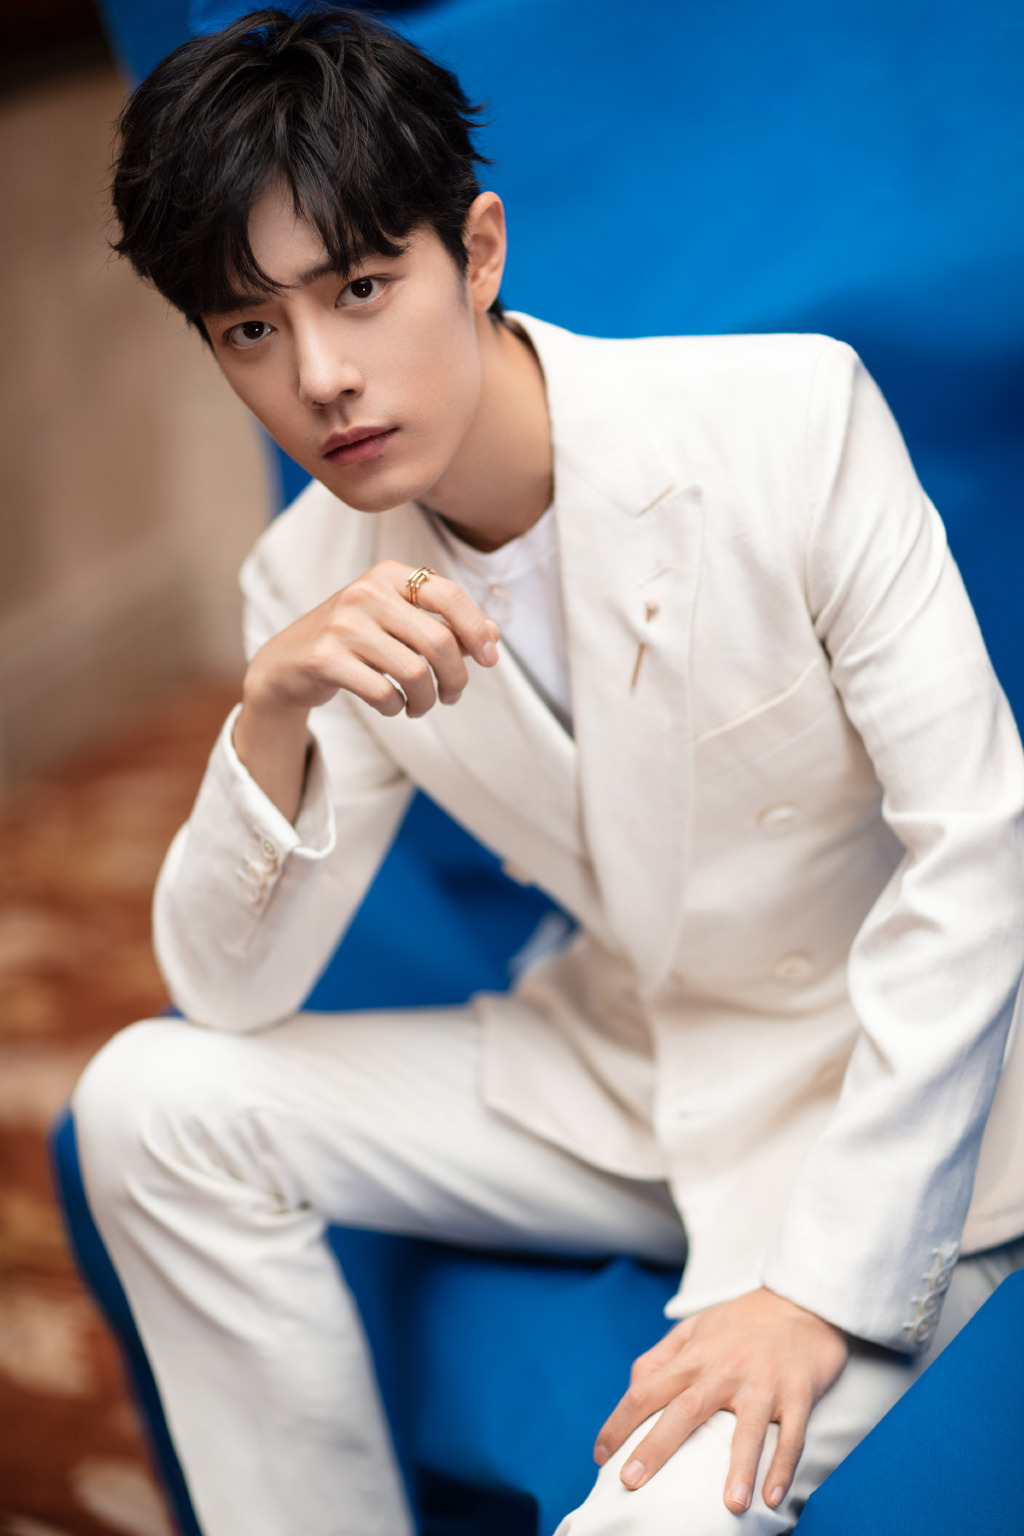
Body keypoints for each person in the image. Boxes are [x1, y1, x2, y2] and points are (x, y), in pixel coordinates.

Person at [73, 7, 1024, 1535]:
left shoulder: (788, 418)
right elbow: (228, 992)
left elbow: (984, 851)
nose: (321, 375)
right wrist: (272, 711)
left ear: (480, 250)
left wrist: (816, 1289)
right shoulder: (309, 577)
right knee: (146, 1099)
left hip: (883, 1092)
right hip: (630, 1064)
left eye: (360, 288)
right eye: (250, 329)